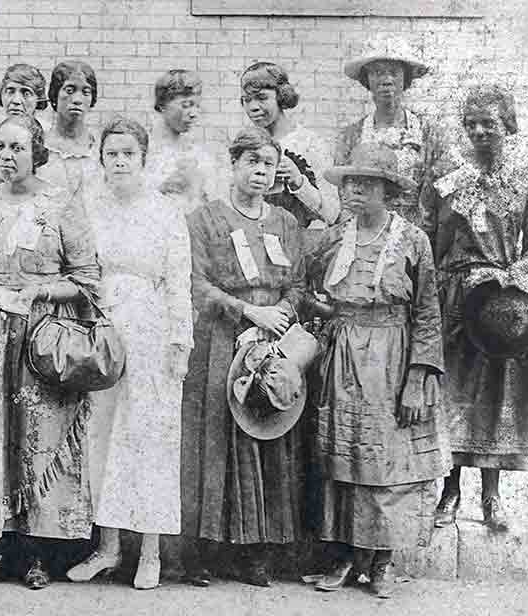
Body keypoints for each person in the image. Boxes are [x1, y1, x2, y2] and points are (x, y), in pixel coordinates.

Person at [0, 115, 100, 591]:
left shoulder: (60, 205)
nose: (7, 157)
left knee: (36, 436)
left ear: (37, 153)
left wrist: (39, 292)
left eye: (18, 148)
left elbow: (88, 278)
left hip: (40, 337)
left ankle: (37, 554)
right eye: (1, 148)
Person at [307, 143, 446, 599]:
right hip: (342, 356)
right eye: (349, 183)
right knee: (343, 458)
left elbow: (426, 312)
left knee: (386, 463)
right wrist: (321, 314)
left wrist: (417, 377)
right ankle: (347, 557)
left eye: (365, 184)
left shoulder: (412, 241)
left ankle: (383, 562)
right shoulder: (333, 238)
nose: (353, 192)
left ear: (386, 190)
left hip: (392, 358)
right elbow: (305, 287)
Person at [66, 117, 192, 591]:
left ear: (143, 158)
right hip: (99, 331)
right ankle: (108, 547)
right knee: (100, 435)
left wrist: (180, 344)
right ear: (101, 159)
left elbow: (178, 283)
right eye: (112, 154)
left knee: (149, 439)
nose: (119, 162)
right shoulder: (89, 209)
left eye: (128, 154)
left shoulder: (164, 212)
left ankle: (150, 552)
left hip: (149, 332)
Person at [180, 127, 306, 588]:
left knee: (265, 436)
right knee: (215, 443)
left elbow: (298, 285)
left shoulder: (286, 224)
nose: (259, 172)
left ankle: (257, 552)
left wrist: (278, 315)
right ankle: (205, 550)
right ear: (233, 165)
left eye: (268, 164)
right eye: (251, 162)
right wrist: (246, 310)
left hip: (273, 339)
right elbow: (196, 282)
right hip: (219, 339)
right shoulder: (205, 219)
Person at [430, 86, 528, 531]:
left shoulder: (524, 181)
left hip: (504, 307)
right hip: (459, 300)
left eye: (488, 122)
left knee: (496, 394)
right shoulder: (451, 183)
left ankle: (491, 497)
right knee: (455, 393)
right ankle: (449, 492)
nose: (479, 131)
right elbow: (436, 245)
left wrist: (515, 281)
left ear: (506, 123)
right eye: (471, 124)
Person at [337, 41, 446, 236]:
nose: (386, 80)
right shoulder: (351, 136)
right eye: (377, 73)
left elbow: (438, 198)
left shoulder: (429, 134)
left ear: (406, 79)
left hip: (415, 234)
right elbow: (345, 196)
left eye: (394, 72)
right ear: (367, 80)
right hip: (364, 233)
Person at [240, 62, 340, 227]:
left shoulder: (310, 143)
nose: (253, 107)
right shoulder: (245, 144)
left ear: (281, 96)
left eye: (262, 98)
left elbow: (333, 213)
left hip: (298, 242)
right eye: (247, 100)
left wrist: (298, 181)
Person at [145, 69, 225, 215]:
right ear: (162, 105)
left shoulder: (199, 153)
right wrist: (162, 187)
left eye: (197, 106)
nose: (194, 114)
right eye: (186, 105)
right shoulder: (144, 150)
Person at [38, 60, 102, 200]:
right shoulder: (39, 145)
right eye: (69, 90)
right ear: (55, 95)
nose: (77, 99)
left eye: (85, 92)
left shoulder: (99, 148)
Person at [0, 63, 48, 188]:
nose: (16, 100)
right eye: (10, 91)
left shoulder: (51, 141)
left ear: (38, 99)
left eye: (26, 93)